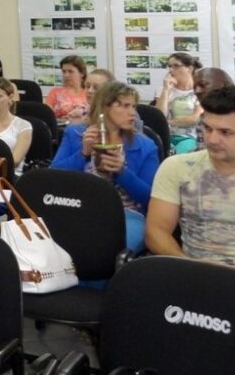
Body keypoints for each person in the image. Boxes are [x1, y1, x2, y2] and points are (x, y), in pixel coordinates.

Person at [145, 86, 235, 269]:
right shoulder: (177, 167)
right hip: (194, 273)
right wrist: (190, 266)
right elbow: (156, 232)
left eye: (225, 132)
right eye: (207, 128)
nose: (212, 139)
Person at [51, 81, 159, 254]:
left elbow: (150, 198)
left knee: (103, 249)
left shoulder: (146, 146)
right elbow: (52, 179)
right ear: (104, 107)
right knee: (57, 247)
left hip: (125, 214)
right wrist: (83, 153)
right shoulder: (76, 133)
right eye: (125, 106)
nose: (132, 112)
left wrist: (122, 173)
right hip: (77, 208)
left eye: (133, 106)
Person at [155, 52, 203, 154]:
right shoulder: (163, 90)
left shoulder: (200, 91)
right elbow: (159, 115)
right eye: (169, 66)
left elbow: (195, 119)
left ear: (189, 69)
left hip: (192, 138)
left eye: (176, 66)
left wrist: (167, 123)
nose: (171, 70)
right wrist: (166, 90)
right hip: (167, 137)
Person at [192, 67, 233, 149]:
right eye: (194, 87)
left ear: (225, 85)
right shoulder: (203, 117)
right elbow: (202, 149)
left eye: (203, 85)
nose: (197, 91)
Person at [45, 55, 89, 122]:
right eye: (64, 71)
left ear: (82, 73)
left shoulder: (89, 93)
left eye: (70, 71)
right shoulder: (55, 92)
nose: (66, 75)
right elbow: (46, 116)